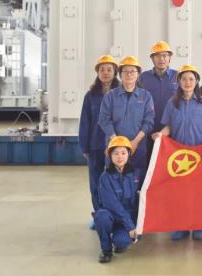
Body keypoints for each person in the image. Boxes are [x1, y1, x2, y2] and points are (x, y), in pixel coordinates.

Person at [157, 64, 202, 241]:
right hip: (178, 156)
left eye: (191, 79)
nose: (188, 82)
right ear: (179, 82)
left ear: (196, 81)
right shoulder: (171, 103)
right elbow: (168, 127)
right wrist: (160, 135)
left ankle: (199, 225)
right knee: (179, 192)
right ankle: (180, 226)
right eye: (184, 79)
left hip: (199, 154)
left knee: (199, 192)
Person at [78, 55, 120, 229]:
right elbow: (85, 122)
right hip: (95, 145)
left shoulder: (121, 93)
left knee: (114, 183)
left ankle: (115, 217)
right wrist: (84, 146)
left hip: (115, 147)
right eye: (102, 69)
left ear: (115, 72)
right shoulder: (90, 96)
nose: (106, 73)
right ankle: (99, 217)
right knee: (95, 184)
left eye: (109, 69)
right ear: (97, 72)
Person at [98, 56, 155, 183]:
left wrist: (135, 142)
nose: (129, 74)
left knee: (137, 182)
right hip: (114, 148)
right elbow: (104, 120)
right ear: (120, 74)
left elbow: (149, 122)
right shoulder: (110, 96)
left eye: (133, 71)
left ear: (138, 74)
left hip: (137, 147)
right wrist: (117, 142)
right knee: (113, 182)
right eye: (125, 71)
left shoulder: (146, 96)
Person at [94, 136, 139, 264]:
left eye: (123, 153)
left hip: (127, 217)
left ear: (129, 154)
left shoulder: (136, 174)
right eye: (116, 153)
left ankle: (119, 240)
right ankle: (106, 250)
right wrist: (130, 226)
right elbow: (112, 204)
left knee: (122, 242)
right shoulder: (105, 177)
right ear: (110, 156)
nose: (120, 157)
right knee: (101, 217)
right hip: (111, 215)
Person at [139, 41, 178, 168]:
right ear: (152, 58)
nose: (161, 59)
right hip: (148, 129)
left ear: (169, 58)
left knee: (170, 165)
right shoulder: (143, 78)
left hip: (172, 129)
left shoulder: (178, 76)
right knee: (148, 165)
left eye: (165, 55)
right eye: (157, 56)